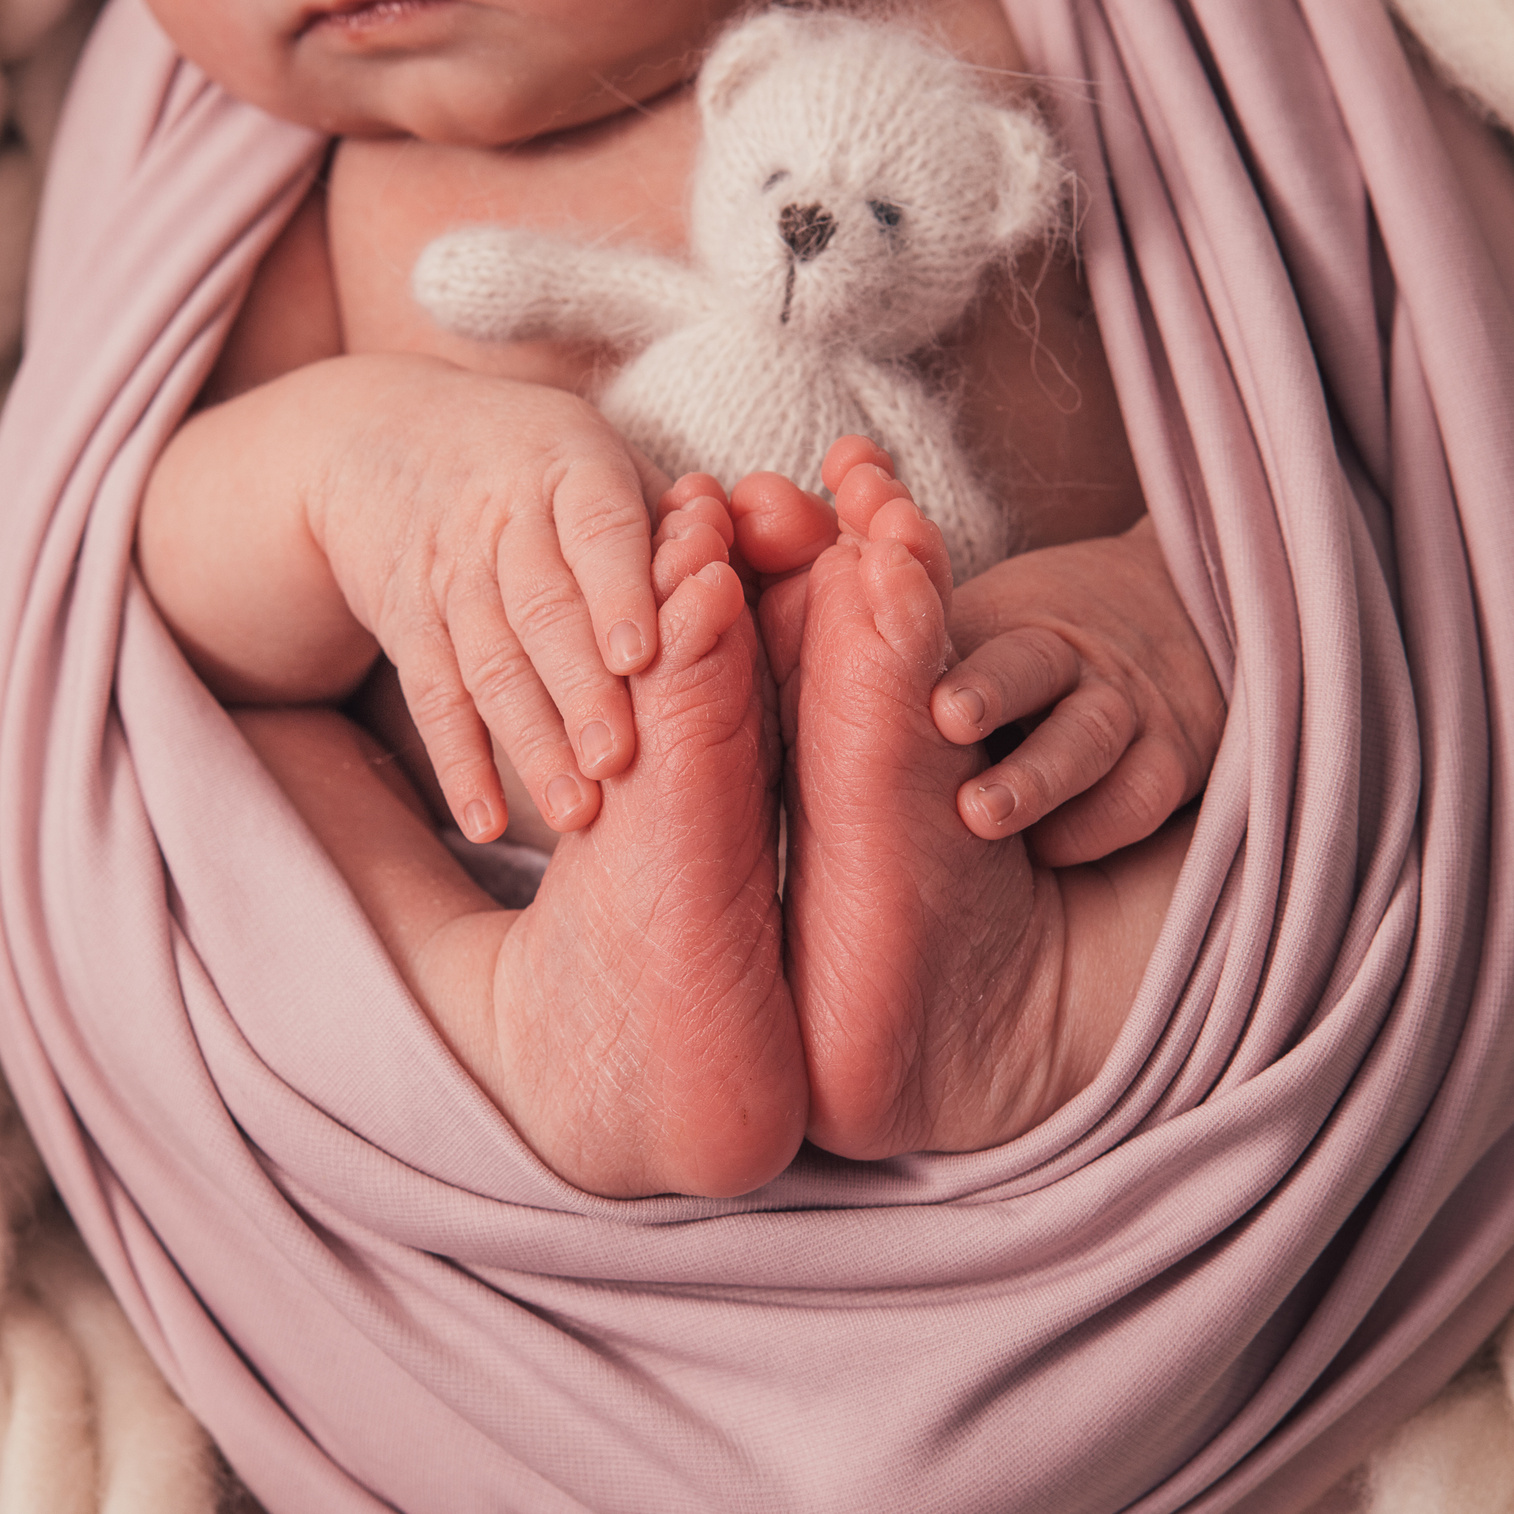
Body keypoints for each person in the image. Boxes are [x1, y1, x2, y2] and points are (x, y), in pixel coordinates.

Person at [132, 0, 1224, 1198]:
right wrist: (352, 464)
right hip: (512, 891)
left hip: (1030, 826)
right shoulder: (310, 194)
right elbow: (179, 625)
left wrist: (1156, 606)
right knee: (243, 795)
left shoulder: (1011, 40)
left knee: (1286, 750)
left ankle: (1044, 1007)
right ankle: (505, 1017)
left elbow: (1327, 452)